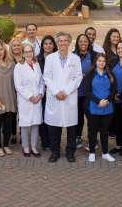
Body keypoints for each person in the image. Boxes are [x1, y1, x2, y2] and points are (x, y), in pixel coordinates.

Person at [43, 32, 82, 163]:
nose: (63, 43)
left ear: (69, 42)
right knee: (54, 127)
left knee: (71, 128)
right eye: (60, 41)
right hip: (55, 97)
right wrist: (56, 92)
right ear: (57, 43)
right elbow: (46, 77)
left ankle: (70, 152)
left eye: (65, 40)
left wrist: (66, 91)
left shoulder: (75, 58)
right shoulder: (50, 58)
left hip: (69, 97)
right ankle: (55, 152)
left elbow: (78, 77)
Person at [84, 54, 116, 162]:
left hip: (107, 107)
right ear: (95, 62)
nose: (101, 63)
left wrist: (107, 100)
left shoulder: (110, 74)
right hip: (94, 107)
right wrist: (98, 101)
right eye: (99, 60)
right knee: (92, 131)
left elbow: (113, 90)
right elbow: (87, 91)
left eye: (103, 61)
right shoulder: (90, 74)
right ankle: (92, 152)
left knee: (104, 131)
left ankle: (105, 153)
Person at [14, 44, 44, 157]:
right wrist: (30, 96)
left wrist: (40, 94)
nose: (28, 53)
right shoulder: (19, 66)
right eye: (26, 51)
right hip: (25, 100)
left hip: (37, 99)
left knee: (36, 124)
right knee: (25, 125)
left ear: (33, 52)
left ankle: (34, 147)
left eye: (30, 51)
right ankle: (26, 147)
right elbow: (18, 86)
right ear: (22, 53)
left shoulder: (36, 65)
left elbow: (41, 81)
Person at [73, 34, 96, 148]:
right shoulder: (72, 56)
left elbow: (98, 71)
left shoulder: (93, 55)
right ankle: (77, 137)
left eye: (85, 41)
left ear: (89, 43)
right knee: (78, 117)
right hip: (76, 93)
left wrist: (86, 76)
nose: (83, 43)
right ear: (77, 43)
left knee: (91, 116)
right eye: (81, 41)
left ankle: (92, 138)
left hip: (89, 93)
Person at [37, 35, 58, 151]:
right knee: (43, 117)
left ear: (54, 45)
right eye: (45, 43)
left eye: (50, 43)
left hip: (54, 92)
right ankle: (45, 142)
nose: (48, 46)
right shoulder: (37, 59)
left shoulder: (58, 58)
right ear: (42, 46)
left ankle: (54, 140)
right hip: (42, 92)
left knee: (53, 117)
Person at [9, 38, 23, 144]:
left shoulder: (25, 58)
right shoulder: (8, 59)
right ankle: (13, 134)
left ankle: (23, 133)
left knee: (22, 113)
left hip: (23, 91)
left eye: (18, 45)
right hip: (11, 90)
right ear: (11, 47)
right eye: (14, 45)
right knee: (13, 113)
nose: (16, 47)